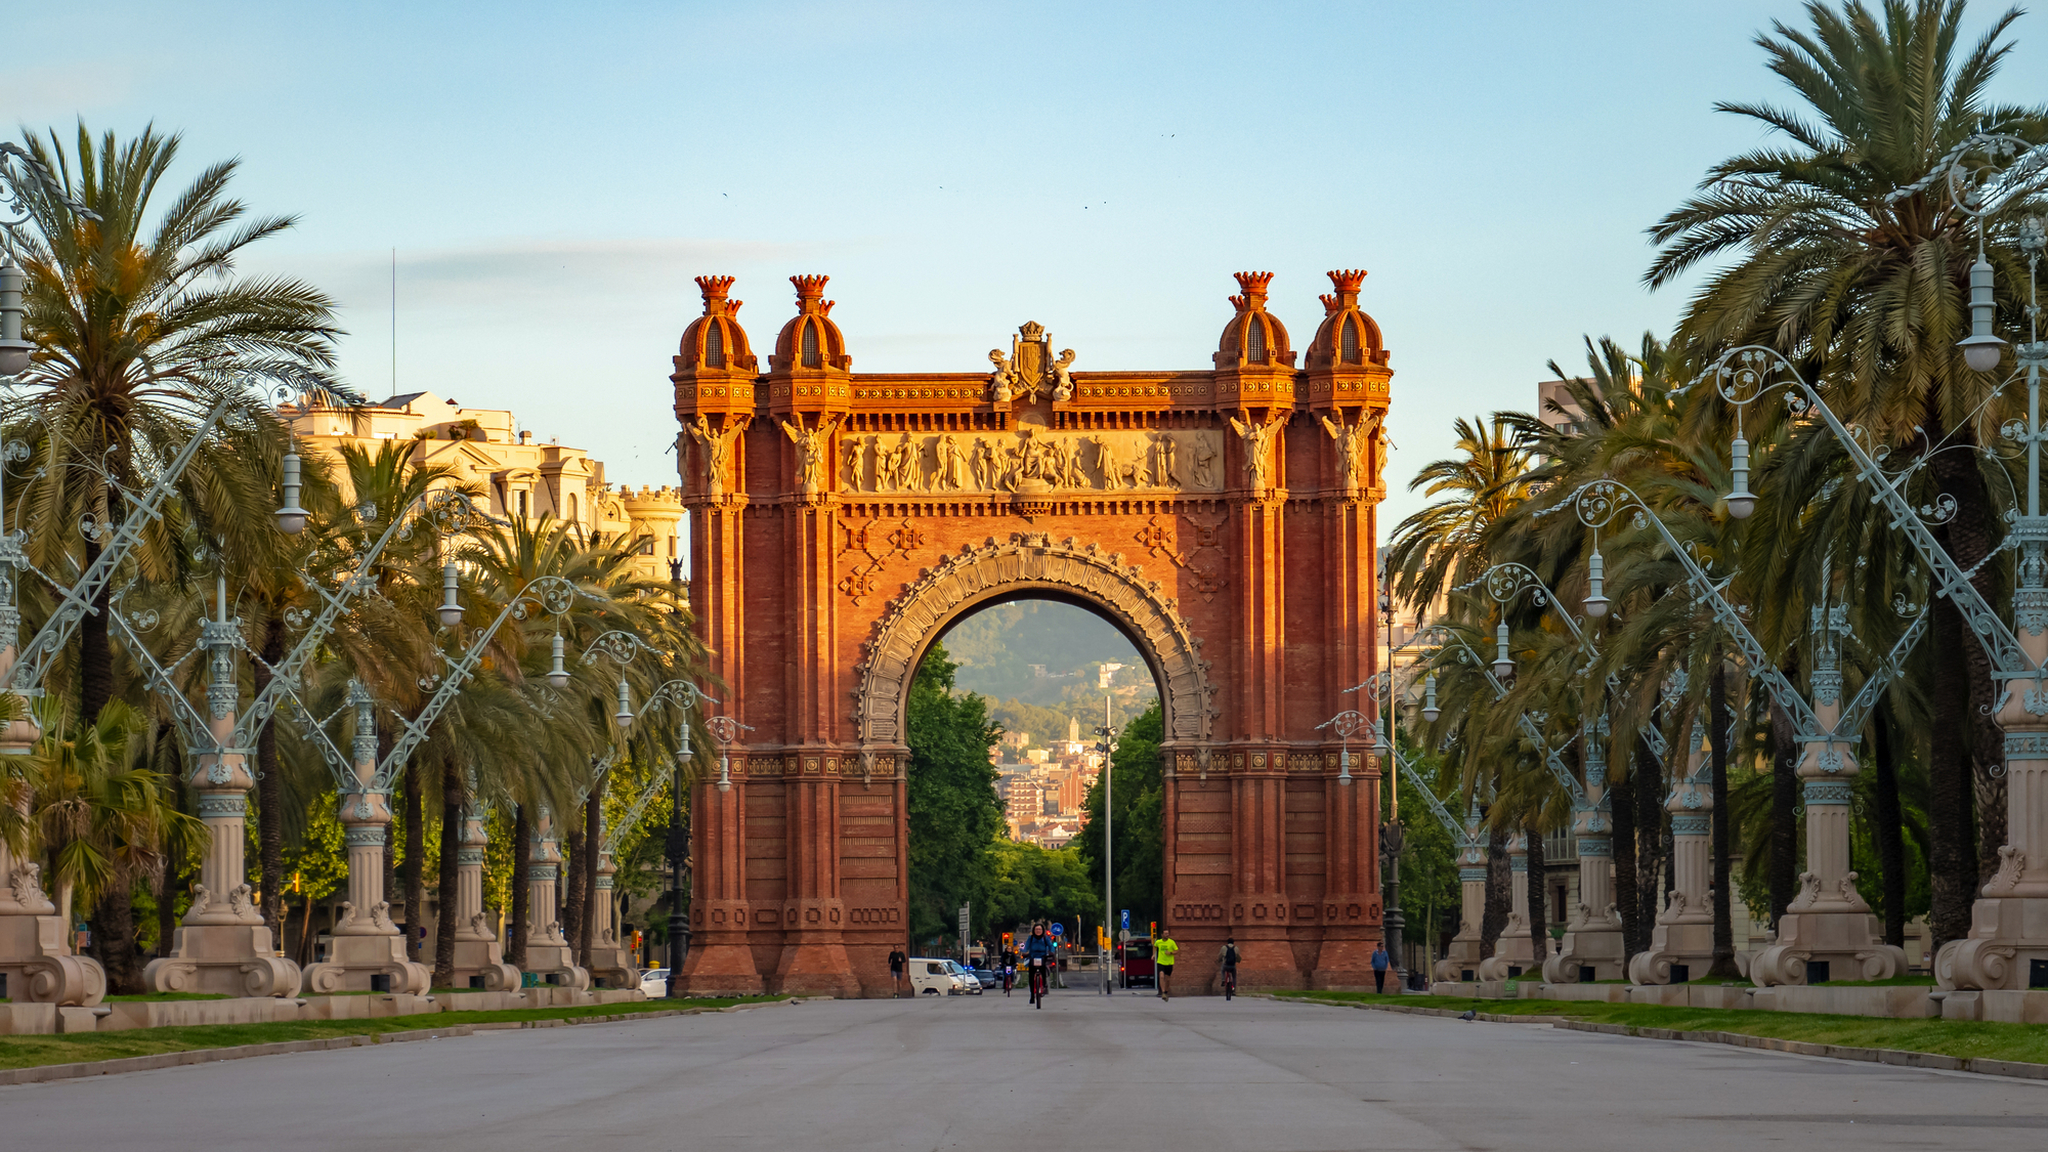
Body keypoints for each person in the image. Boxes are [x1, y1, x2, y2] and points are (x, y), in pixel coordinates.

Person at [1021, 922, 1059, 1006]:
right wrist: (1024, 953)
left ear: (1043, 930)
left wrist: (1051, 952)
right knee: (1031, 975)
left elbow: (1051, 946)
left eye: (1040, 929)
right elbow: (1026, 947)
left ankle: (1044, 985)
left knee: (1043, 970)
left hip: (1043, 956)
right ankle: (1032, 995)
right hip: (1032, 956)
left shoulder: (1045, 938)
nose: (1038, 931)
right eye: (1036, 929)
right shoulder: (1030, 938)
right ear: (1034, 930)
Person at [1153, 930, 1179, 1000]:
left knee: (1167, 979)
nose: (1167, 935)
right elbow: (1155, 946)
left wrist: (1170, 953)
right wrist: (1154, 954)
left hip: (1169, 963)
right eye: (1165, 933)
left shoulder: (1171, 942)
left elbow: (1176, 950)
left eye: (1168, 933)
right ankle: (1163, 992)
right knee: (1161, 976)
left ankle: (1166, 992)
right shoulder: (1158, 942)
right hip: (1160, 962)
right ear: (1162, 935)